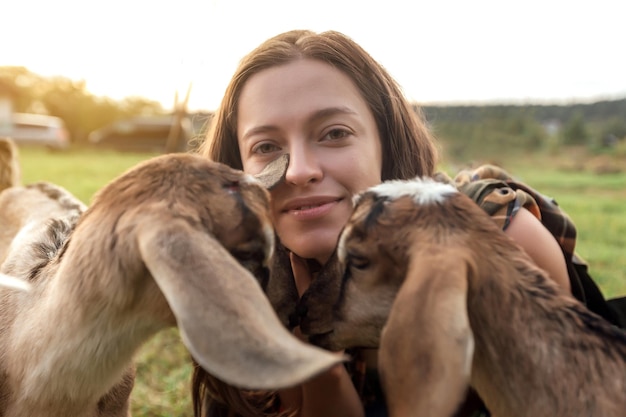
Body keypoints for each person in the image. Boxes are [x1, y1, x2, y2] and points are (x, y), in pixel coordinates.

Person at [192, 29, 620, 417]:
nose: (299, 171)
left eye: (335, 133)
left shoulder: (493, 239)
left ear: (384, 140)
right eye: (266, 146)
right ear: (238, 168)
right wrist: (306, 353)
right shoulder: (250, 280)